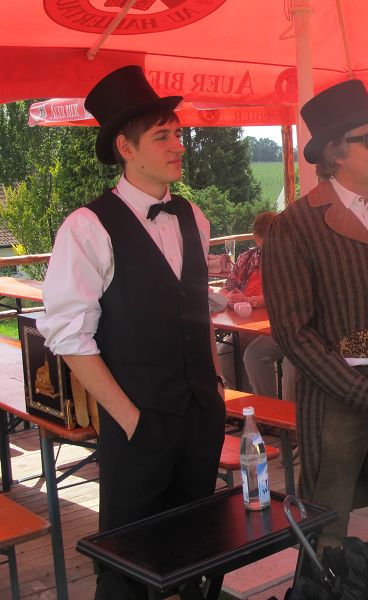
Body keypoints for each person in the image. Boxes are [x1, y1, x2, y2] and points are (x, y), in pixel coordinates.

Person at [37, 66, 225, 599]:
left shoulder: (194, 216)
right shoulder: (87, 226)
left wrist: (214, 390)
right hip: (138, 423)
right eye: (163, 136)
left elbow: (195, 311)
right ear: (126, 147)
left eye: (178, 133)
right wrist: (130, 419)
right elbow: (69, 336)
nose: (179, 145)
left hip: (200, 417)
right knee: (127, 563)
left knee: (196, 547)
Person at [262, 80, 368, 551]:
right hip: (335, 396)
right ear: (335, 152)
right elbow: (292, 331)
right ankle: (326, 584)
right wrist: (366, 392)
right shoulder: (295, 226)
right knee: (328, 518)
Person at [217, 211, 287, 397]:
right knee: (225, 354)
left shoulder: (289, 259)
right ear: (258, 239)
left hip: (281, 327)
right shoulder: (246, 258)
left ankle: (269, 409)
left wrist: (249, 301)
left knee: (253, 356)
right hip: (247, 325)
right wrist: (230, 297)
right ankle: (245, 403)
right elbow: (227, 287)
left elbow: (282, 296)